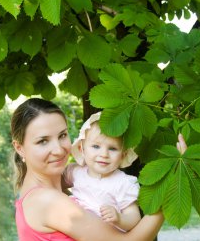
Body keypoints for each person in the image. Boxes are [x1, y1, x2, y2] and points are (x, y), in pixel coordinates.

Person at [11, 98, 187, 241]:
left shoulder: (49, 188)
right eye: (43, 141)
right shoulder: (48, 200)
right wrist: (171, 188)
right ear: (19, 148)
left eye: (62, 135)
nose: (58, 149)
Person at [64, 112, 141, 232]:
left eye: (112, 148)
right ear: (81, 149)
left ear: (123, 155)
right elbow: (53, 182)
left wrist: (120, 219)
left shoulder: (123, 183)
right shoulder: (75, 172)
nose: (104, 154)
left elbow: (134, 217)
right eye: (96, 146)